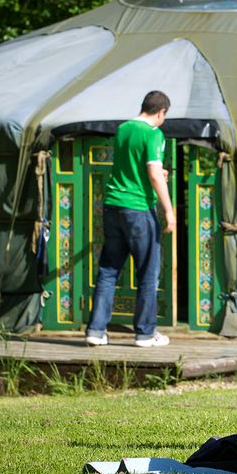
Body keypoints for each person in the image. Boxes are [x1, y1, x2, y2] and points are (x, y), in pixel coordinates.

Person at [85, 90, 176, 348]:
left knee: (108, 270)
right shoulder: (153, 134)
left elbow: (132, 167)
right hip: (138, 209)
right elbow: (153, 173)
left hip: (113, 206)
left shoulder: (123, 129)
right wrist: (169, 211)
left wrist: (157, 174)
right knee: (148, 272)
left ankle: (95, 330)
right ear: (161, 112)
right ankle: (145, 333)